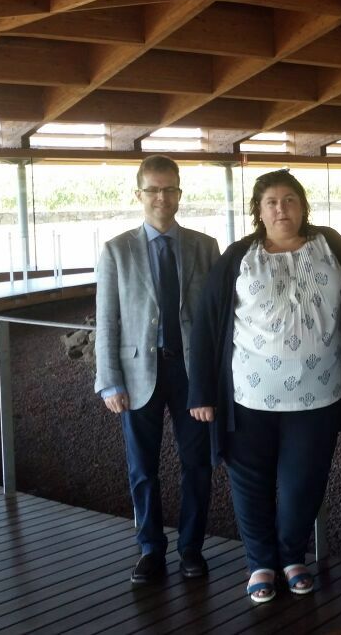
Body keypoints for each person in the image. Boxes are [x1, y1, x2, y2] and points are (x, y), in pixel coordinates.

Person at [188, 169, 341, 604]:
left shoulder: (331, 246)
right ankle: (260, 564)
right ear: (258, 210)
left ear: (303, 205)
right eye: (271, 201)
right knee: (250, 483)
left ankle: (291, 556)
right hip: (248, 399)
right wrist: (202, 393)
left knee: (302, 484)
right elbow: (207, 326)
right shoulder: (238, 256)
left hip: (318, 396)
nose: (281, 208)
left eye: (289, 199)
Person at [94, 155, 220, 583]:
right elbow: (107, 319)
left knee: (197, 464)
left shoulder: (205, 247)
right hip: (137, 374)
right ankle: (150, 548)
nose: (161, 197)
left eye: (169, 189)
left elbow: (215, 319)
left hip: (191, 374)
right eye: (153, 189)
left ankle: (191, 548)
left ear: (180, 194)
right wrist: (109, 380)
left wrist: (216, 378)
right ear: (139, 195)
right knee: (142, 468)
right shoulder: (116, 250)